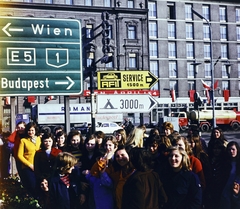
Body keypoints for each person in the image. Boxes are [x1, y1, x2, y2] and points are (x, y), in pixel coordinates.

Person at [17, 122, 41, 197]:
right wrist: (29, 165)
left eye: (32, 130)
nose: (31, 132)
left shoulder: (39, 139)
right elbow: (19, 155)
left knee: (39, 186)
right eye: (29, 130)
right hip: (28, 168)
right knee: (32, 186)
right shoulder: (23, 141)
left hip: (39, 166)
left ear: (35, 130)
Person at [219, 141, 240, 209]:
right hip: (227, 190)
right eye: (229, 149)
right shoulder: (225, 162)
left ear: (237, 150)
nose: (231, 151)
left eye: (233, 149)